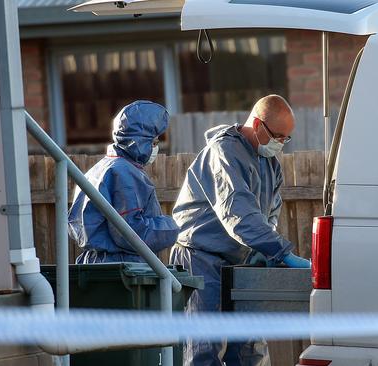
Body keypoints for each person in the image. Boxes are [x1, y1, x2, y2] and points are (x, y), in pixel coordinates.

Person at [170, 94, 311, 366]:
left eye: (286, 138)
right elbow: (239, 213)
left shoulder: (270, 163)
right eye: (278, 136)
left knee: (249, 347)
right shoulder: (224, 152)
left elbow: (270, 211)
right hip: (201, 258)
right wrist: (282, 253)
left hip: (240, 260)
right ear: (258, 125)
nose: (281, 144)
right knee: (203, 349)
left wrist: (263, 250)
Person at [69, 100, 180, 264]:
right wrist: (173, 227)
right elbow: (131, 233)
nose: (155, 147)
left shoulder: (102, 167)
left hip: (97, 264)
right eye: (154, 142)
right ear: (140, 141)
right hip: (122, 268)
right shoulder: (124, 173)